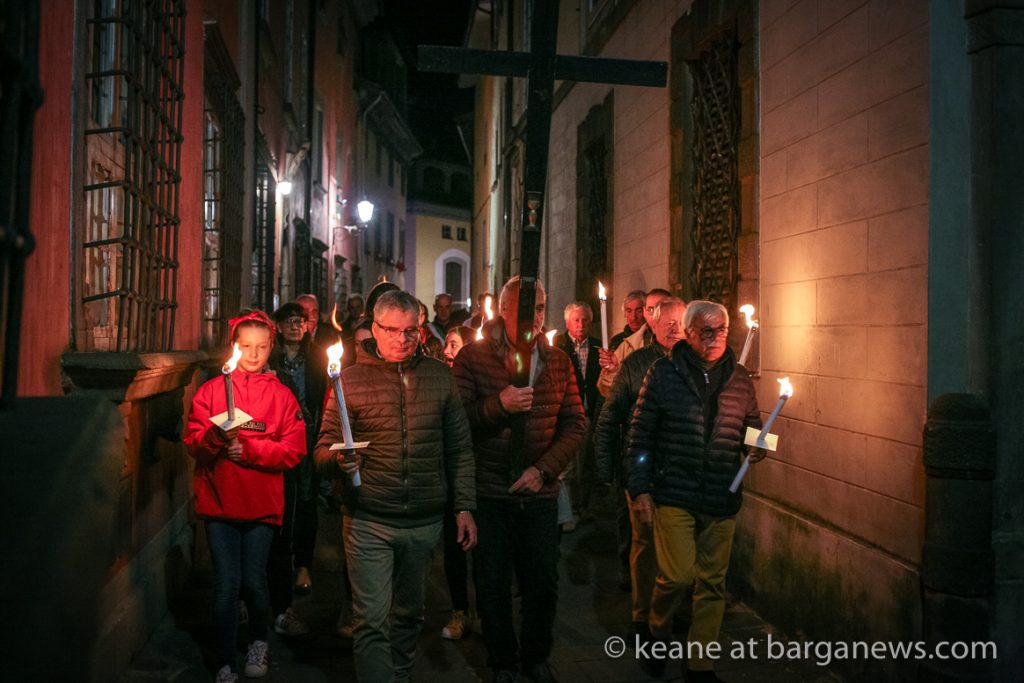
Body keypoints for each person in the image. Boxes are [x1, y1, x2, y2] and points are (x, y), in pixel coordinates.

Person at [315, 290, 477, 683]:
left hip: (423, 521)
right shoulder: (349, 381)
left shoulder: (440, 377)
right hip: (368, 517)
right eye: (392, 331)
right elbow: (321, 450)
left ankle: (401, 675)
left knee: (409, 614)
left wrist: (464, 506)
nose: (402, 340)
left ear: (421, 331)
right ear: (375, 329)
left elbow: (459, 447)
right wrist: (339, 460)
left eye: (411, 331)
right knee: (370, 620)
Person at [453, 276, 586, 683]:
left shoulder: (558, 360)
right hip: (490, 491)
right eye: (528, 308)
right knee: (492, 583)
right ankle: (501, 661)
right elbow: (459, 423)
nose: (537, 316)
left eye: (543, 308)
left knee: (542, 581)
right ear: (504, 310)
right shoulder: (473, 359)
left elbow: (575, 424)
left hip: (540, 493)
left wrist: (542, 470)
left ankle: (535, 656)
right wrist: (498, 405)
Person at [627, 300, 764, 681]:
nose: (717, 337)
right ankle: (656, 629)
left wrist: (761, 444)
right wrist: (640, 489)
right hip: (674, 492)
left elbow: (752, 426)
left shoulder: (739, 377)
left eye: (722, 330)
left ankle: (699, 665)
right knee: (676, 576)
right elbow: (640, 435)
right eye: (707, 331)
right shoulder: (663, 373)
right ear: (688, 334)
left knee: (712, 583)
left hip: (721, 493)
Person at [184, 311, 306, 683]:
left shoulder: (282, 396)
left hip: (261, 506)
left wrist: (251, 452)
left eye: (261, 347)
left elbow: (293, 449)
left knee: (254, 581)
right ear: (234, 347)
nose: (253, 354)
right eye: (245, 346)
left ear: (272, 347)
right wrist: (216, 439)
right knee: (226, 584)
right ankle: (224, 658)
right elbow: (193, 444)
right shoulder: (210, 391)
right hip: (220, 502)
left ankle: (257, 640)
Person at [594, 297, 687, 642]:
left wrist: (758, 443)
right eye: (669, 324)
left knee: (678, 548)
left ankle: (672, 610)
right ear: (654, 326)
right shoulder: (636, 364)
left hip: (682, 473)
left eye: (681, 323)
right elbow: (609, 417)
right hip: (643, 472)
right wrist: (605, 470)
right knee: (645, 544)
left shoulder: (698, 365)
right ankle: (641, 614)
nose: (675, 330)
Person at [266, 303, 328, 637]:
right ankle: (277, 564)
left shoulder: (317, 358)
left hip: (310, 436)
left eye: (300, 322)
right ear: (277, 326)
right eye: (288, 322)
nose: (294, 327)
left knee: (306, 501)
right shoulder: (271, 359)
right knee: (281, 502)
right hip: (280, 437)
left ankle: (303, 563)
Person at [439, 325, 478, 640]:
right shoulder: (440, 381)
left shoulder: (480, 381)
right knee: (453, 549)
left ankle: (483, 611)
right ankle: (459, 610)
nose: (447, 351)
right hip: (447, 476)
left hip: (480, 474)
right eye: (446, 346)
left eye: (453, 345)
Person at [553, 301, 603, 531]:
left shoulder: (598, 347)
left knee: (587, 461)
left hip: (589, 411)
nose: (581, 324)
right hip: (566, 414)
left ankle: (584, 505)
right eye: (576, 320)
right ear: (567, 323)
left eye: (585, 320)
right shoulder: (558, 346)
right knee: (567, 463)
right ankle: (568, 508)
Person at [597, 287, 671, 397]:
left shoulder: (687, 343)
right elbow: (609, 391)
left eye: (662, 308)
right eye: (651, 309)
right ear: (646, 312)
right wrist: (612, 371)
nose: (656, 315)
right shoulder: (627, 345)